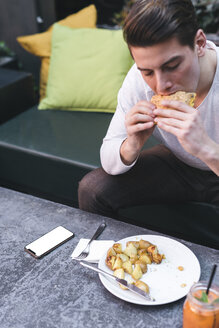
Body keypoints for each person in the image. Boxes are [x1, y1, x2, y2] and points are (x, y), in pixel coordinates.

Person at [78, 0, 219, 219]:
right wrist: (132, 143)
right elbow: (109, 155)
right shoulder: (138, 79)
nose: (160, 85)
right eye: (148, 72)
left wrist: (206, 149)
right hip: (179, 165)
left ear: (199, 43)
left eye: (171, 66)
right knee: (93, 190)